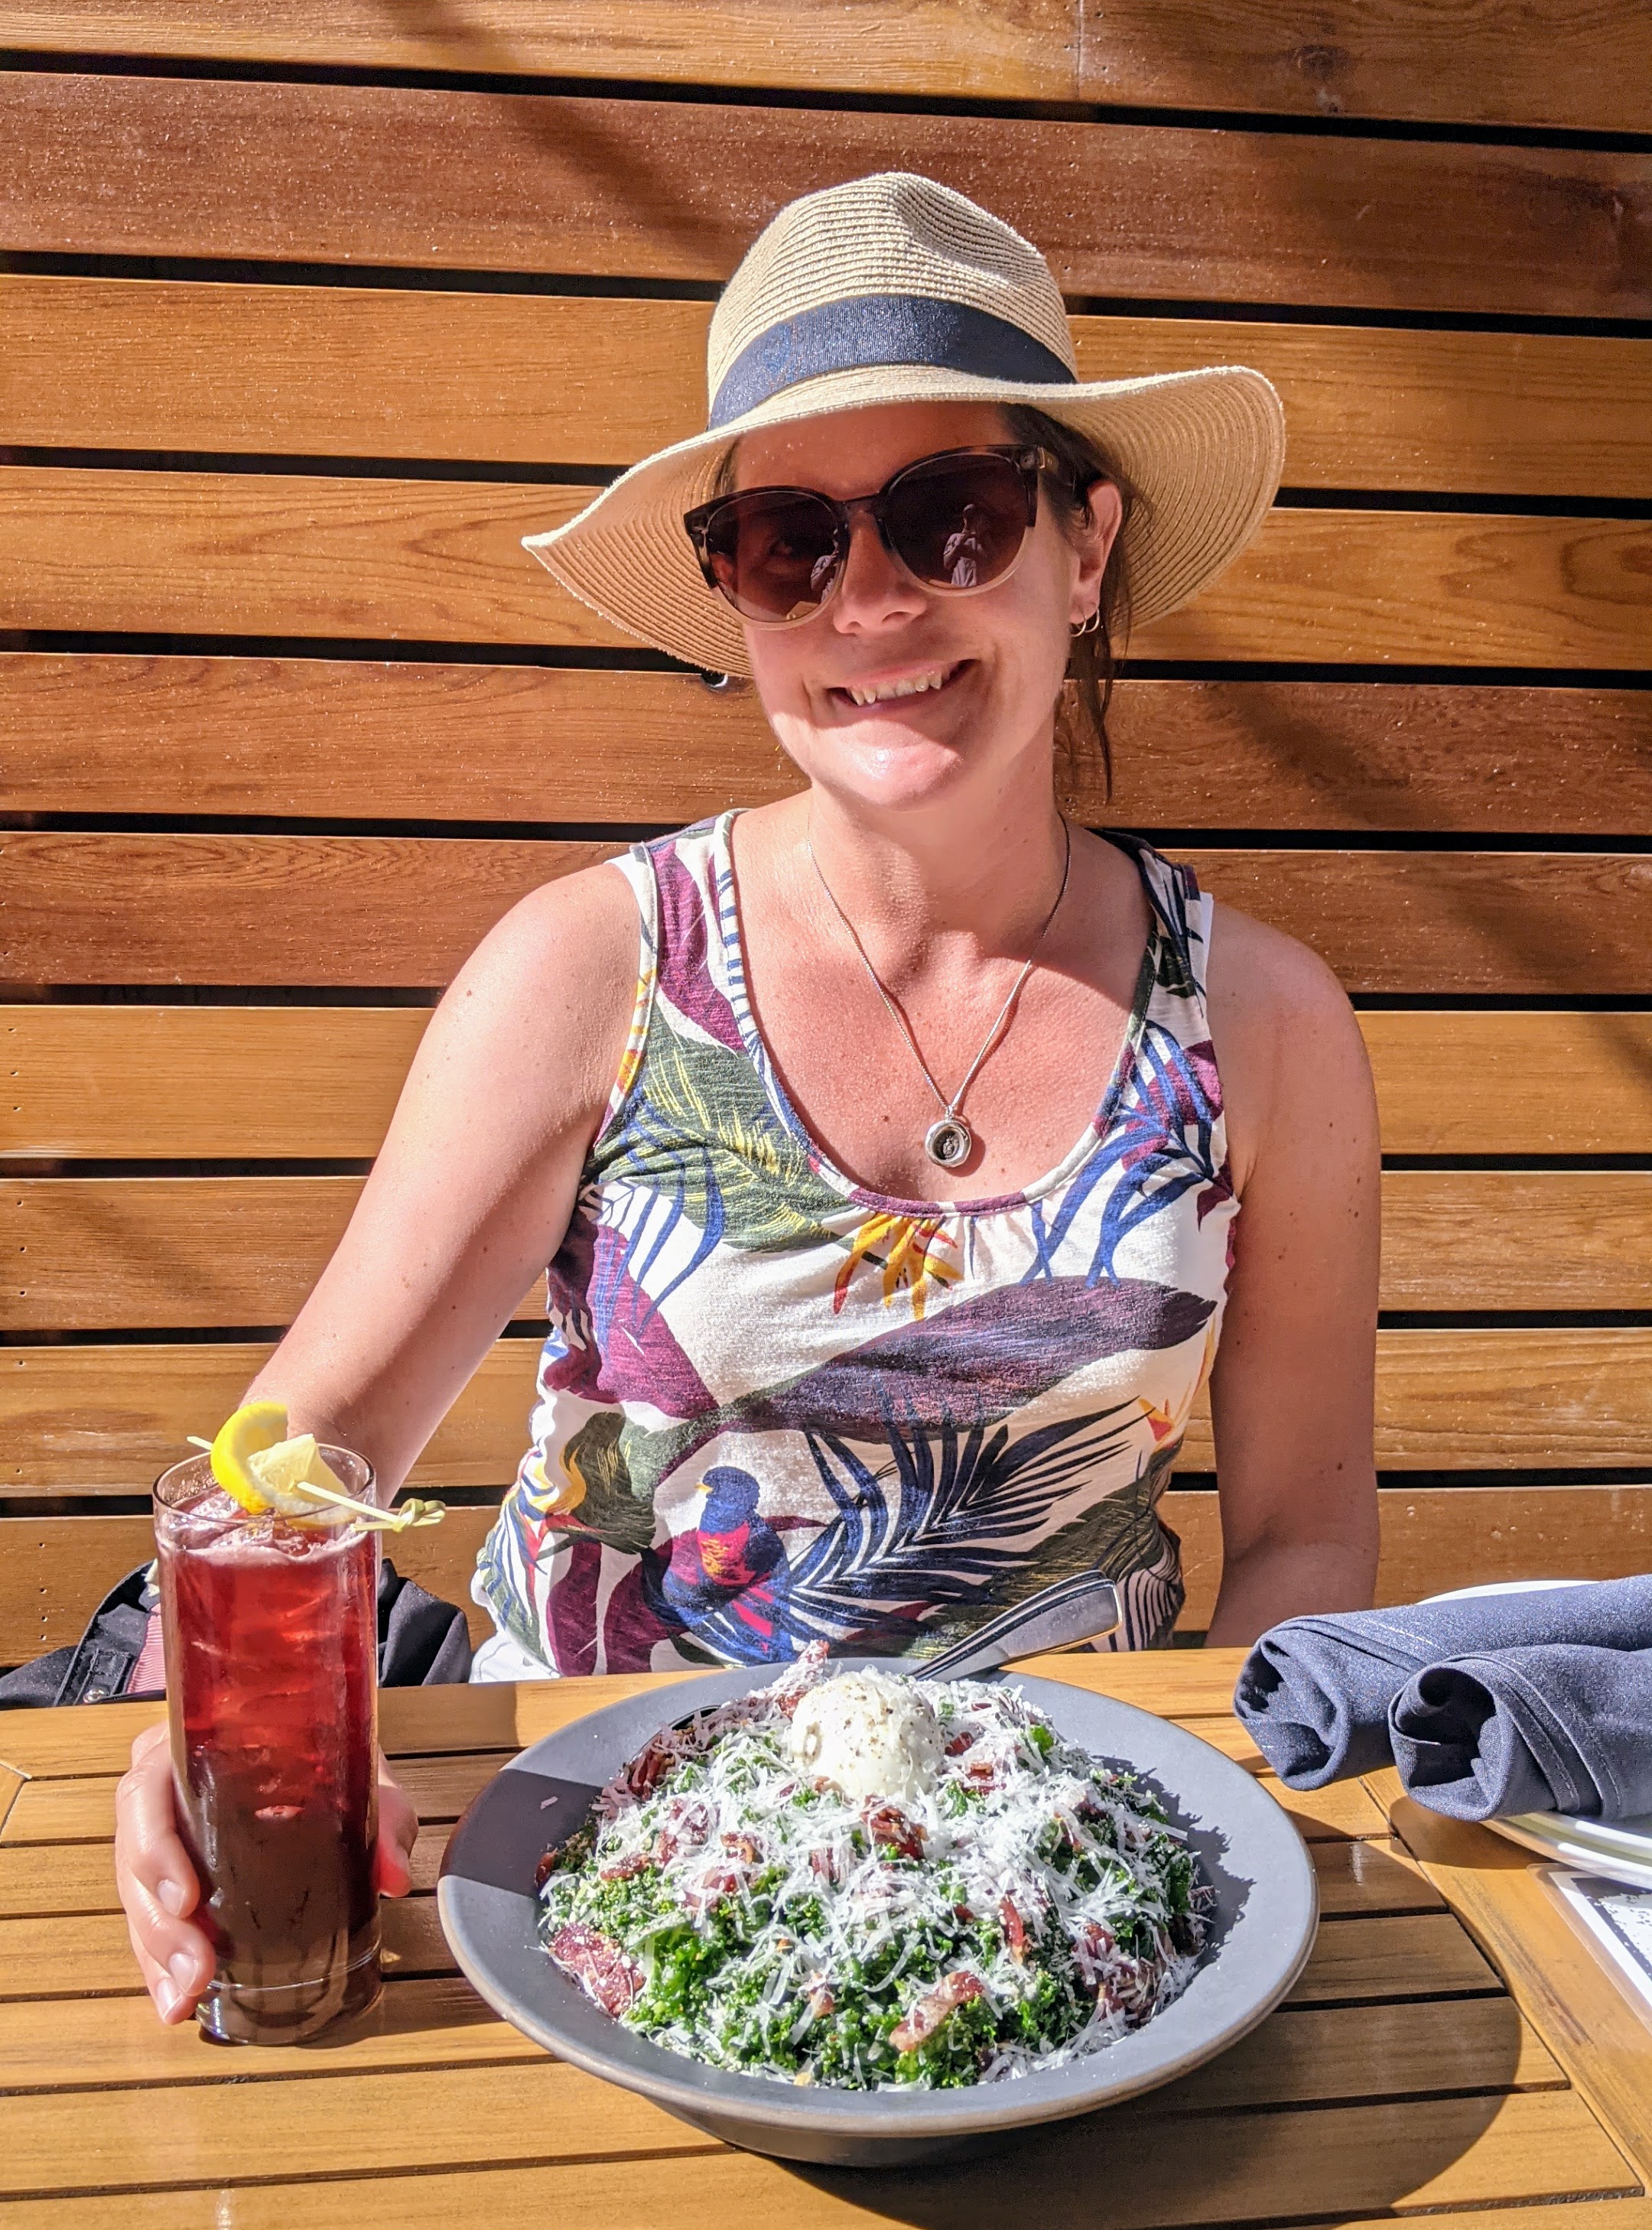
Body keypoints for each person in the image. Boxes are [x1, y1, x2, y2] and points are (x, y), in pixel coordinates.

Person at [115, 172, 1380, 2021]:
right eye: (789, 542)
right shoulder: (595, 969)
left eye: (952, 518)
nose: (869, 601)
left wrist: (1209, 1871)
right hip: (597, 1887)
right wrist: (210, 1721)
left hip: (1057, 1909)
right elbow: (302, 1453)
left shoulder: (1263, 1027)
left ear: (1085, 546)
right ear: (734, 595)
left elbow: (1302, 1541)